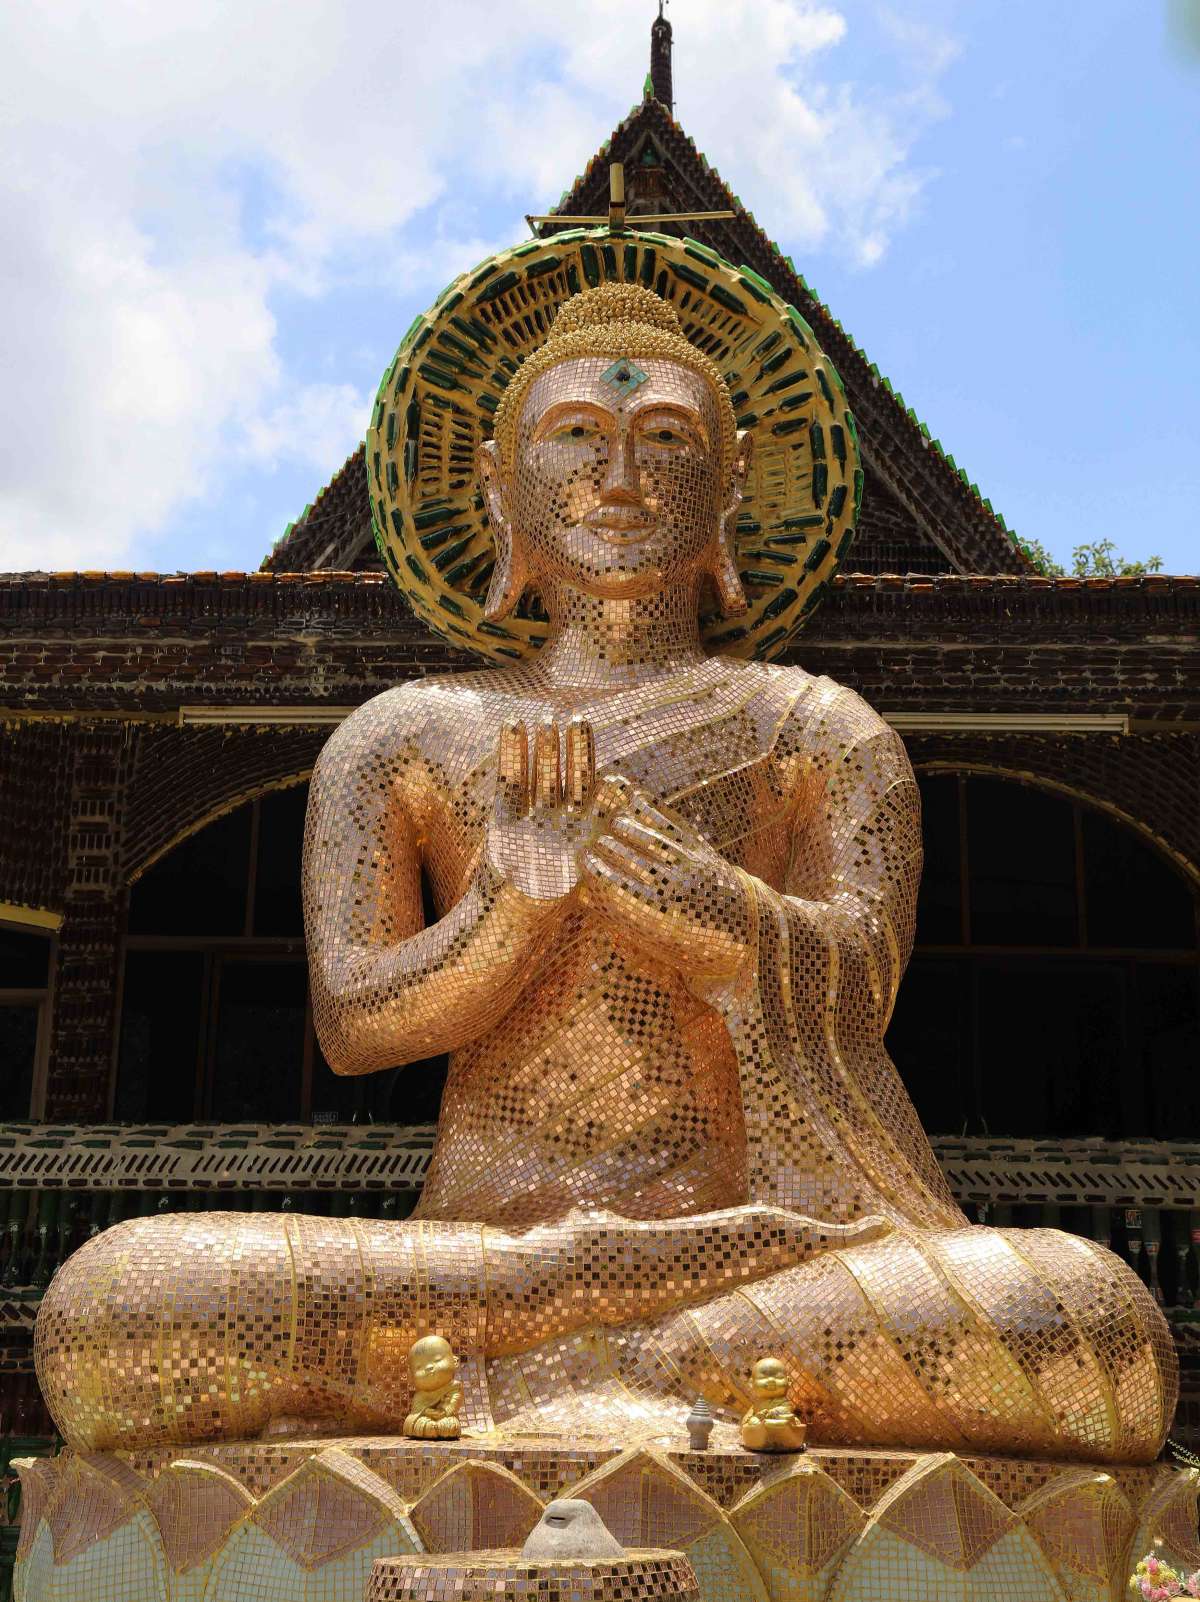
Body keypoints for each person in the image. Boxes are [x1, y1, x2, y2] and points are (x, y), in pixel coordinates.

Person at [35, 284, 1175, 1463]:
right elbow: (357, 1024)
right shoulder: (407, 736)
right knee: (115, 1307)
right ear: (498, 482)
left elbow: (864, 993)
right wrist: (505, 908)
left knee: (1089, 1321)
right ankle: (634, 1340)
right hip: (490, 1252)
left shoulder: (818, 730)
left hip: (763, 1238)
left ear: (728, 490)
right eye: (576, 434)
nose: (619, 475)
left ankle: (595, 1358)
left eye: (666, 439)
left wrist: (716, 918)